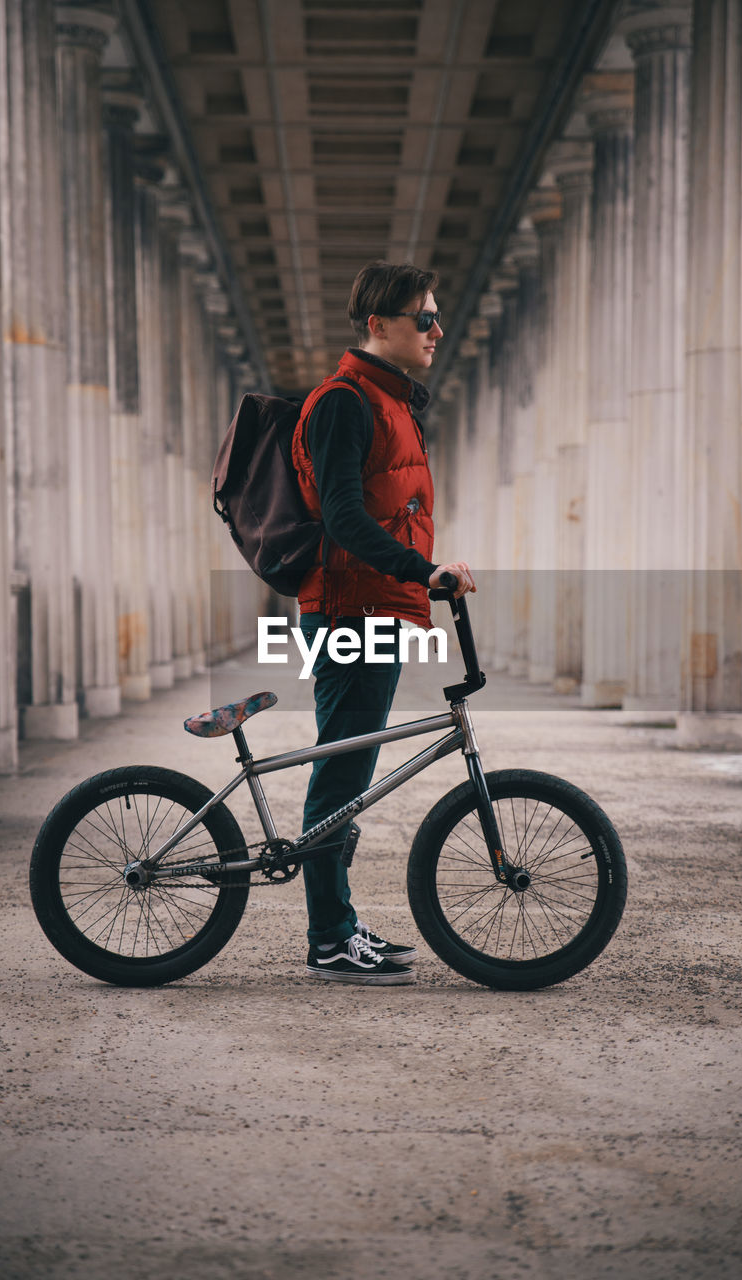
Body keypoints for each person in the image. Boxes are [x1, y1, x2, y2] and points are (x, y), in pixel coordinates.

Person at [290, 261, 475, 985]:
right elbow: (340, 517)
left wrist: (415, 575)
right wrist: (417, 569)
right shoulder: (345, 401)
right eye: (422, 317)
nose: (435, 328)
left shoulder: (390, 402)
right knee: (341, 775)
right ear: (379, 325)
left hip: (374, 604)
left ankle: (335, 923)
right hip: (350, 606)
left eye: (435, 315)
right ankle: (329, 936)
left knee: (349, 772)